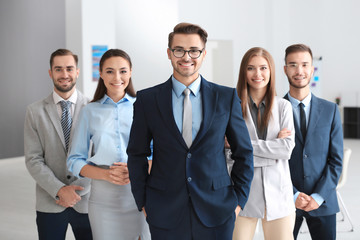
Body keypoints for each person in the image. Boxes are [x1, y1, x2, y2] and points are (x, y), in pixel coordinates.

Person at [126, 22, 254, 240]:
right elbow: (136, 154)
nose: (186, 57)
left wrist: (238, 202)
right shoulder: (147, 100)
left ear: (203, 54)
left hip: (218, 211)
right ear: (169, 53)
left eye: (194, 50)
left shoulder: (225, 97)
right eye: (179, 50)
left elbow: (244, 153)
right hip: (163, 211)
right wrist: (144, 202)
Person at [67, 49, 150, 240]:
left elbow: (156, 153)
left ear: (130, 72)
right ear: (101, 74)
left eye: (123, 71)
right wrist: (106, 174)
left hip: (140, 195)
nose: (117, 77)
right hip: (103, 201)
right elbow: (74, 160)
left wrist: (135, 168)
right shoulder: (89, 111)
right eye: (110, 71)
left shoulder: (144, 108)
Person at [227, 47, 296, 240]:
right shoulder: (232, 106)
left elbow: (286, 150)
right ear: (243, 72)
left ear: (271, 71)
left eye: (263, 68)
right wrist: (272, 150)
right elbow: (226, 154)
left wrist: (242, 146)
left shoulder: (284, 107)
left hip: (279, 196)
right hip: (242, 196)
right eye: (251, 68)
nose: (258, 74)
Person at [24, 49, 92, 240]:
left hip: (87, 202)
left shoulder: (94, 108)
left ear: (77, 72)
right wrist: (60, 190)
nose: (64, 74)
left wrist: (78, 190)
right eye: (58, 69)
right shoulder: (34, 111)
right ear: (50, 72)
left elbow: (99, 159)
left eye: (69, 69)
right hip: (49, 201)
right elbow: (33, 159)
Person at [283, 44, 343, 240]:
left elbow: (336, 161)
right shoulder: (273, 111)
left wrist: (318, 197)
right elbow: (272, 163)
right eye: (293, 65)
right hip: (285, 200)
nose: (299, 71)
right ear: (285, 69)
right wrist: (293, 195)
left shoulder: (330, 110)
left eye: (304, 65)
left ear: (312, 69)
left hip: (323, 200)